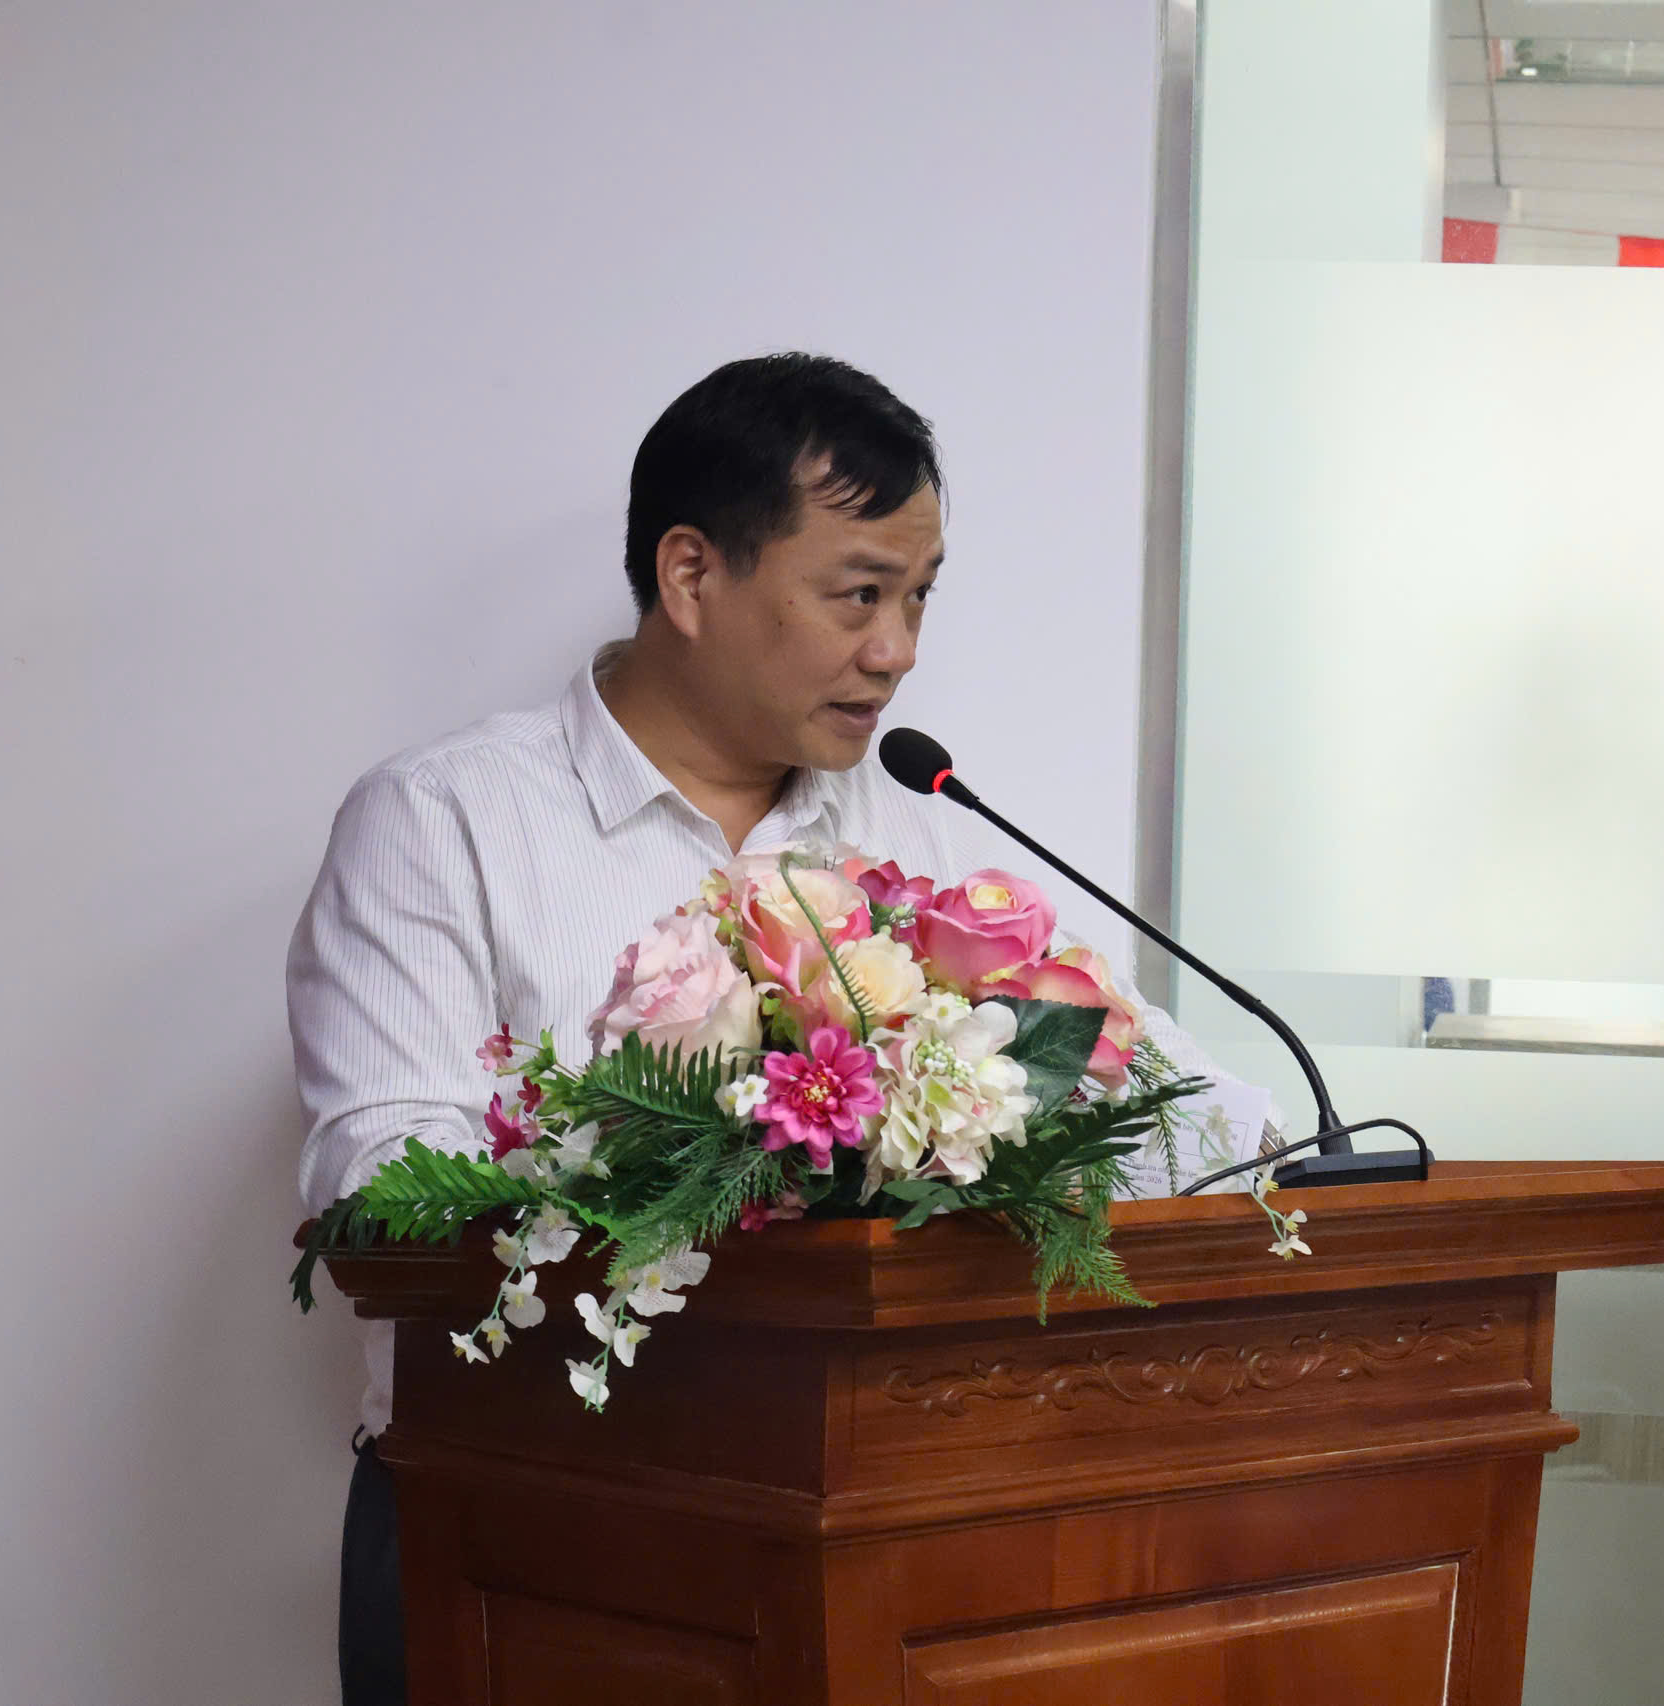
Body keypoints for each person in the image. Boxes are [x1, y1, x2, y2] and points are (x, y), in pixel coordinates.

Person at [287, 353, 1266, 1706]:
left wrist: (1280, 1162)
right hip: (522, 1539)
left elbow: (1182, 1107)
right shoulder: (445, 820)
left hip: (889, 1534)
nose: (898, 649)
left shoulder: (917, 833)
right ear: (692, 575)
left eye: (919, 598)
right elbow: (376, 1188)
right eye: (861, 593)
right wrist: (717, 1148)